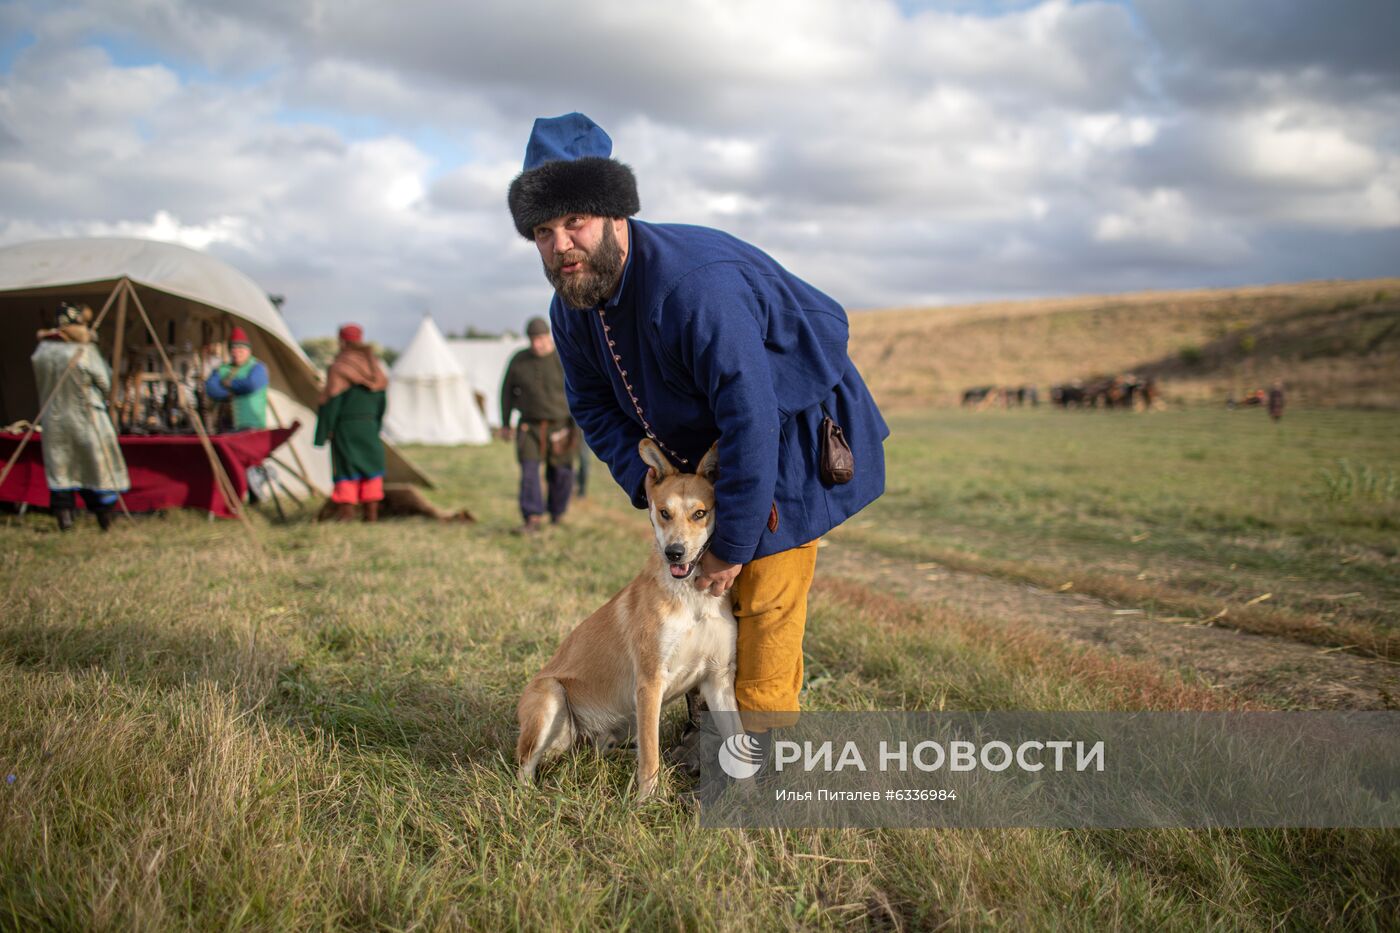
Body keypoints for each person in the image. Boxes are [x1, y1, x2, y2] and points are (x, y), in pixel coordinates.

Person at [506, 113, 887, 765]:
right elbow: (593, 406)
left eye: (575, 223)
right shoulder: (570, 307)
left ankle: (763, 755)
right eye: (544, 230)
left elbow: (750, 414)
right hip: (703, 440)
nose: (561, 244)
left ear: (614, 215)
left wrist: (734, 544)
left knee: (762, 584)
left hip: (788, 424)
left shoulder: (691, 286)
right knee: (701, 589)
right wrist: (647, 479)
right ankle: (710, 731)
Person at [30, 302, 130, 531]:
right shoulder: (85, 351)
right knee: (95, 469)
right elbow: (106, 383)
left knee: (61, 472)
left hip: (54, 422)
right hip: (86, 418)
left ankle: (65, 522)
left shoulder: (41, 352)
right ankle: (105, 521)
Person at [498, 316, 577, 533]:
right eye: (533, 339)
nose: (536, 344)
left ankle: (557, 512)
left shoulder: (563, 358)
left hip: (561, 425)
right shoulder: (519, 360)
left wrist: (578, 425)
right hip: (529, 427)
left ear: (548, 337)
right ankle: (532, 517)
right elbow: (506, 392)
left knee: (561, 474)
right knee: (529, 472)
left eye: (540, 339)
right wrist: (505, 423)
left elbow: (578, 390)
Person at [314, 324, 389, 521]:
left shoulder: (339, 368)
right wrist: (376, 426)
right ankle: (370, 516)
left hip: (345, 428)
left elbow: (331, 403)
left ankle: (347, 515)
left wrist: (323, 432)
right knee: (371, 469)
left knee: (347, 469)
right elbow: (382, 403)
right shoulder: (376, 368)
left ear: (342, 341)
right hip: (370, 426)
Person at [204, 326, 269, 431]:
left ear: (248, 350)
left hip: (252, 426)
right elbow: (211, 388)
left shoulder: (257, 367)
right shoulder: (223, 369)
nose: (236, 351)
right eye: (233, 348)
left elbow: (251, 384)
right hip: (224, 426)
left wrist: (230, 384)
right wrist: (229, 393)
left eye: (240, 348)